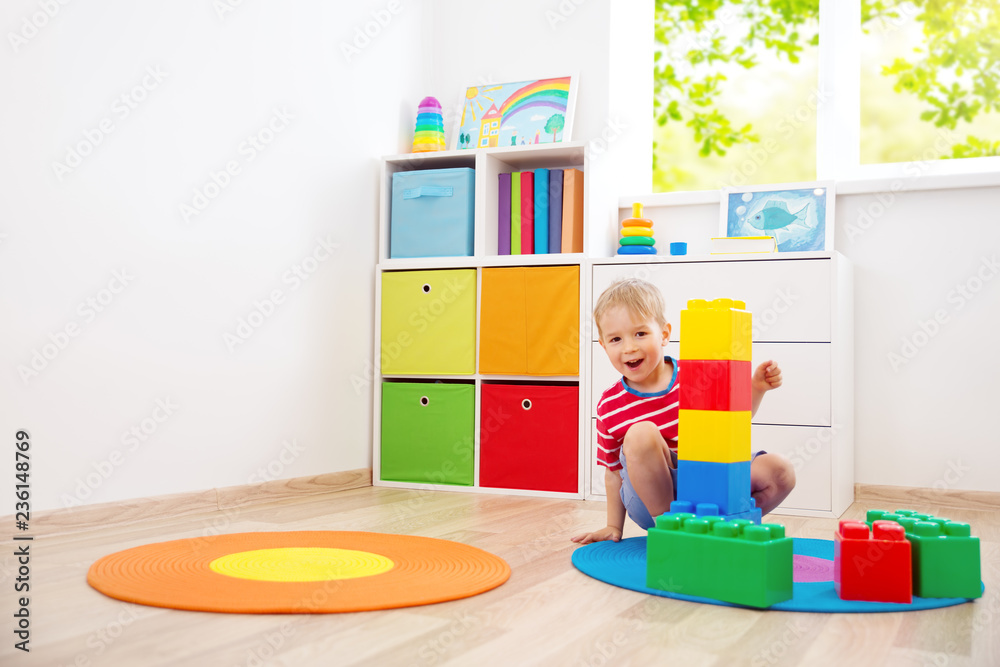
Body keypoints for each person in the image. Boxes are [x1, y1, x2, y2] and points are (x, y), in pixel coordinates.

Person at [571, 278, 796, 545]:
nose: (629, 347)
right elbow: (612, 472)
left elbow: (732, 423)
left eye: (640, 334)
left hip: (707, 482)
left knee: (781, 470)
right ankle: (671, 530)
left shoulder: (696, 376)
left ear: (664, 334)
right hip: (649, 499)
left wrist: (756, 388)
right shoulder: (609, 404)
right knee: (641, 433)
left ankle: (728, 524)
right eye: (616, 339)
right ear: (604, 346)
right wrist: (612, 525)